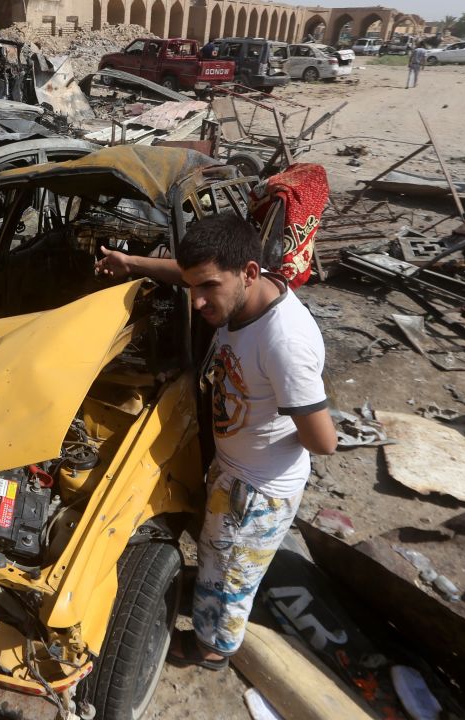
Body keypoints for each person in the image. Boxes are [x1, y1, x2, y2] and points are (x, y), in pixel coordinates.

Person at [95, 213, 337, 670]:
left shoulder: (284, 342)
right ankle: (207, 601)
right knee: (216, 557)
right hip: (234, 471)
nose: (198, 301)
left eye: (208, 288)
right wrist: (131, 262)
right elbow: (188, 274)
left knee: (230, 578)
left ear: (249, 272)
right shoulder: (242, 292)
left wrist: (289, 413)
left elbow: (324, 441)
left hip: (258, 490)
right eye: (193, 287)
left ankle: (211, 648)